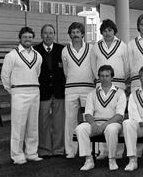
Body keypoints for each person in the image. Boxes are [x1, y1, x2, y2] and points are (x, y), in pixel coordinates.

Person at [1, 27, 43, 164]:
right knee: (18, 126)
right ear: (20, 38)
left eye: (30, 37)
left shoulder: (38, 56)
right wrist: (13, 91)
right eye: (25, 37)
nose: (27, 39)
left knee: (33, 125)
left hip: (34, 91)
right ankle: (17, 155)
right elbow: (5, 77)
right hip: (19, 92)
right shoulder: (11, 55)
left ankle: (31, 153)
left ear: (33, 38)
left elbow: (37, 73)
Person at [75, 65, 126, 171]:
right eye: (102, 76)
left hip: (112, 124)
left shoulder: (120, 93)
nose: (104, 78)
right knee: (80, 128)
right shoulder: (92, 93)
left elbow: (119, 115)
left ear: (112, 77)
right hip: (95, 123)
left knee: (111, 129)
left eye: (107, 76)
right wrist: (93, 124)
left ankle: (112, 160)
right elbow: (88, 113)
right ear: (99, 77)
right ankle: (88, 160)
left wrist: (103, 125)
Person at [91, 19, 129, 159]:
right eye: (105, 30)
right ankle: (103, 151)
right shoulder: (96, 46)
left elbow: (127, 65)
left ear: (114, 31)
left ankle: (117, 152)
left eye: (110, 30)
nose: (107, 33)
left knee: (117, 116)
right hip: (101, 84)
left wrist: (123, 80)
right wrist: (99, 79)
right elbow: (93, 65)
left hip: (118, 84)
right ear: (101, 32)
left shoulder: (122, 46)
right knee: (101, 115)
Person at [62, 22, 95, 159]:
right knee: (70, 121)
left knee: (89, 119)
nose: (75, 35)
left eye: (78, 32)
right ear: (70, 34)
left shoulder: (91, 48)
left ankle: (90, 149)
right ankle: (70, 150)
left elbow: (94, 66)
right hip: (70, 89)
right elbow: (65, 71)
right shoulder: (65, 50)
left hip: (88, 88)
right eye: (73, 32)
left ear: (82, 34)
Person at [34, 24, 66, 158]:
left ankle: (58, 149)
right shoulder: (35, 50)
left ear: (54, 35)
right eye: (45, 33)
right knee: (43, 122)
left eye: (51, 33)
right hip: (43, 92)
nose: (48, 35)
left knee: (59, 122)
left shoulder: (62, 49)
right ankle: (44, 149)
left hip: (59, 91)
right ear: (41, 35)